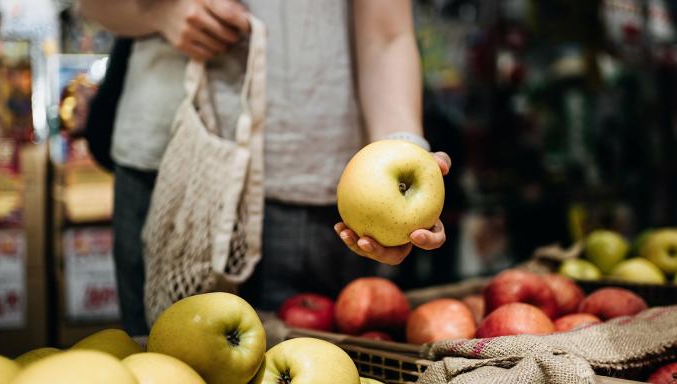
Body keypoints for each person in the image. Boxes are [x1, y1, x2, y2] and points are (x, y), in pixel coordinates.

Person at [79, 0, 451, 336]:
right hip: (169, 179)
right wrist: (157, 12)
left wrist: (406, 149)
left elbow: (386, 35)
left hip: (314, 188)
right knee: (163, 366)